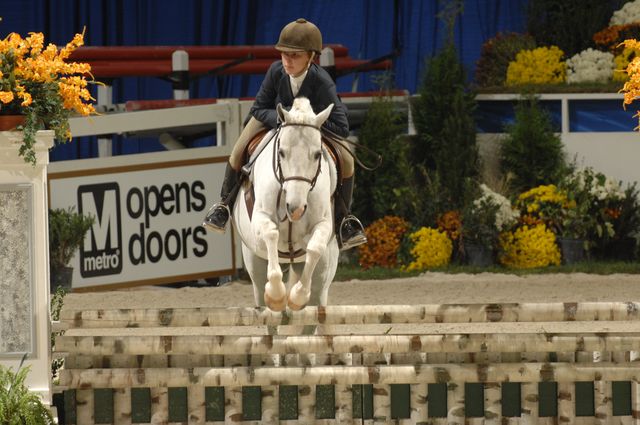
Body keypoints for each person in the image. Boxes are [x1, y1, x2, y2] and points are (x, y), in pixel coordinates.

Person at [202, 18, 366, 250]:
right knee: (238, 149)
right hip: (272, 120)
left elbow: (341, 127)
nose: (287, 60)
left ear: (311, 56)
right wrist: (283, 119)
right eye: (284, 54)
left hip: (311, 129)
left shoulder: (322, 81)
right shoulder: (275, 71)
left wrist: (306, 123)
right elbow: (258, 109)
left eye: (295, 55)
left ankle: (344, 220)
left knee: (348, 160)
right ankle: (223, 206)